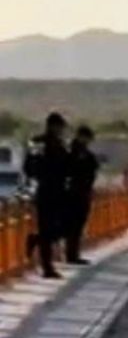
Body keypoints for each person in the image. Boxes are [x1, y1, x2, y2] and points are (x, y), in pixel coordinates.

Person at [23, 113, 70, 279]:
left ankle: (35, 239)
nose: (61, 130)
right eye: (59, 127)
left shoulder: (60, 144)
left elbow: (67, 166)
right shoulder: (39, 143)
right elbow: (29, 167)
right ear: (52, 126)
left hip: (59, 190)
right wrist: (41, 176)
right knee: (47, 228)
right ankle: (47, 268)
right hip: (45, 190)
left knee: (63, 227)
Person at [64, 125, 99, 265]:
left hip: (81, 191)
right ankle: (71, 254)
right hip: (75, 192)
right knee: (74, 224)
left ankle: (73, 253)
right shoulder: (73, 152)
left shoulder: (83, 153)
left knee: (77, 224)